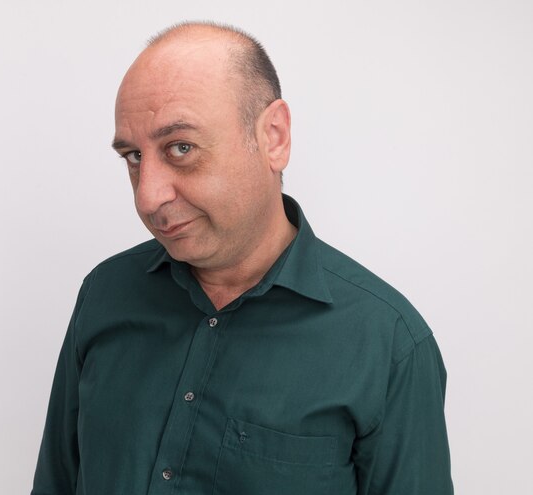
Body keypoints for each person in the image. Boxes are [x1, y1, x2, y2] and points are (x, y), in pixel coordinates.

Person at [31, 21, 453, 495]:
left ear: (273, 137)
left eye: (181, 148)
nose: (148, 197)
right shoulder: (105, 293)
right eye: (133, 156)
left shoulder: (388, 344)